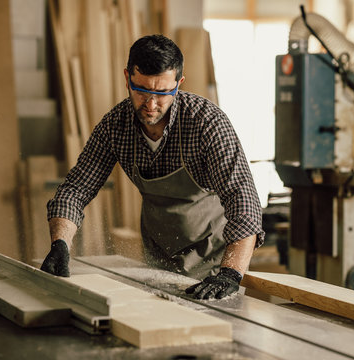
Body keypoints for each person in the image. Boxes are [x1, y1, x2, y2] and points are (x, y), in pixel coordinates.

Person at [41, 34, 265, 300]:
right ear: (127, 78)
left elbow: (243, 200)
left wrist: (230, 274)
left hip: (215, 261)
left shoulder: (207, 123)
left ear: (179, 84)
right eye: (141, 91)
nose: (150, 104)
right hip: (159, 258)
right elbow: (76, 189)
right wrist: (60, 244)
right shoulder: (116, 126)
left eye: (162, 93)